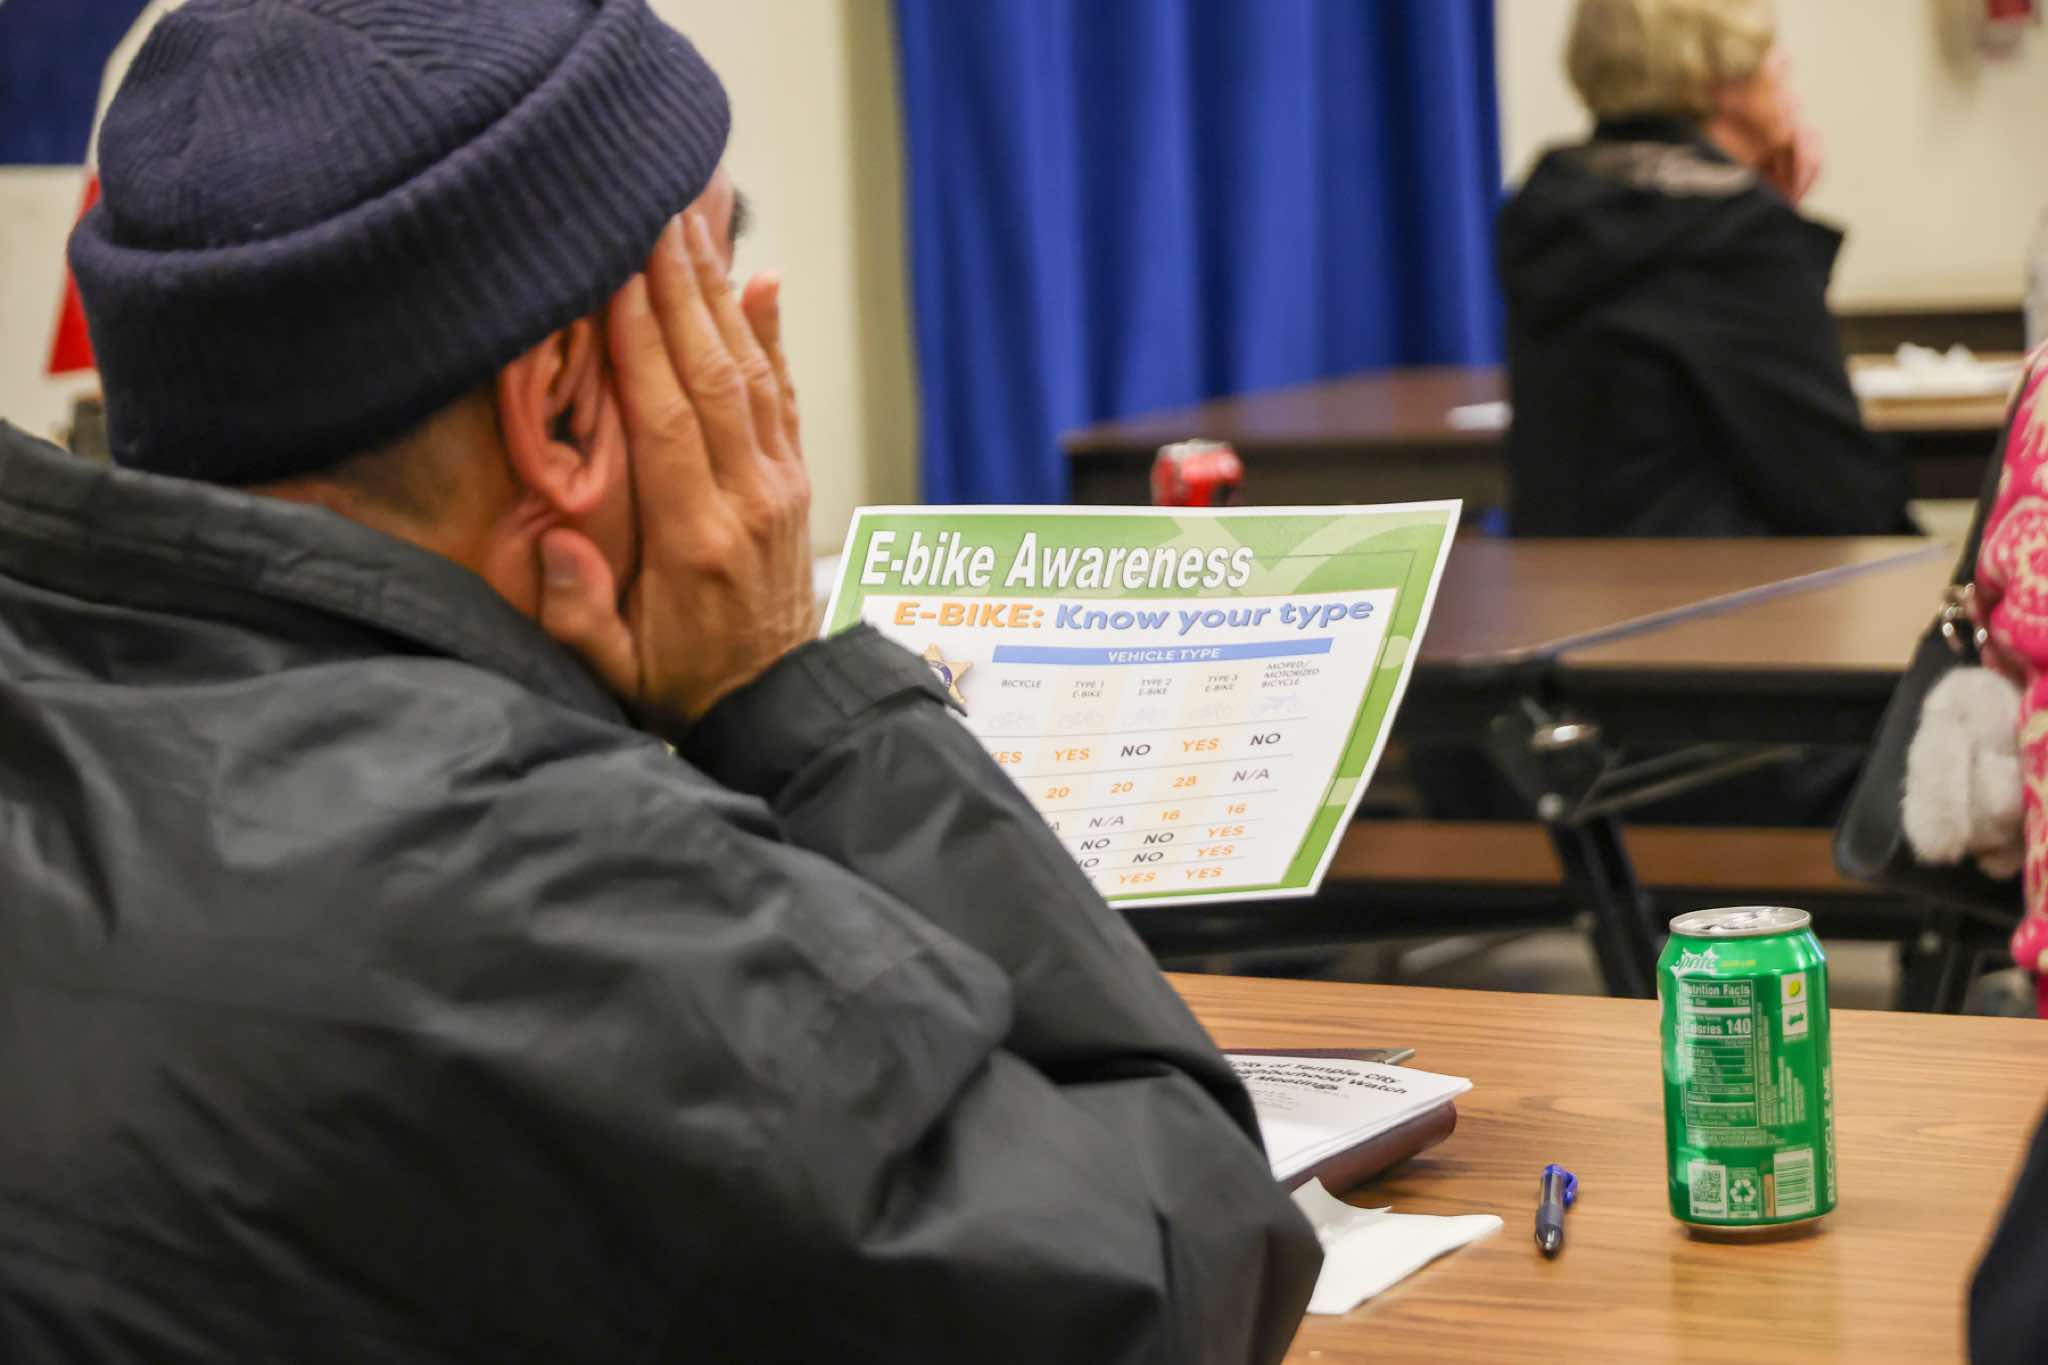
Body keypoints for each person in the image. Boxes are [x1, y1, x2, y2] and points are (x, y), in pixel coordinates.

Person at [0, 2, 1321, 1361]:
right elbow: (1181, 1266)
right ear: (564, 407)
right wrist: (793, 688)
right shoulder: (541, 878)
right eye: (715, 292)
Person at [1497, 0, 1910, 538]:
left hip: (1565, 579)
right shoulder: (1735, 236)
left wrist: (1770, 214)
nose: (1786, 74)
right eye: (1767, 57)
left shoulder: (1549, 203)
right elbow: (1843, 494)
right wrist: (1776, 227)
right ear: (1719, 82)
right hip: (1721, 578)